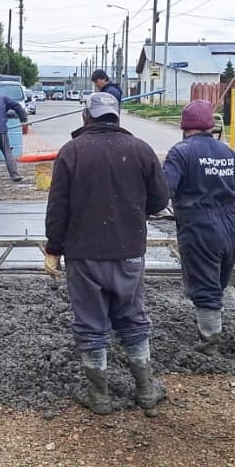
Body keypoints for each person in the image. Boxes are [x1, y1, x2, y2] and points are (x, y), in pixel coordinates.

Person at [44, 92, 170, 415]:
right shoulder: (141, 150)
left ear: (86, 117)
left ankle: (99, 395)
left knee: (90, 322)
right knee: (132, 317)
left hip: (83, 256)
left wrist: (53, 250)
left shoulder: (71, 152)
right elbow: (158, 202)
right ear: (117, 117)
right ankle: (145, 389)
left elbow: (58, 208)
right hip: (128, 253)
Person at [163, 99, 235, 356]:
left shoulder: (181, 152)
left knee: (205, 288)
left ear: (184, 125)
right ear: (210, 124)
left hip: (200, 227)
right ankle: (214, 329)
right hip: (231, 225)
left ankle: (209, 346)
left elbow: (165, 190)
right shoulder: (228, 152)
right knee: (218, 284)